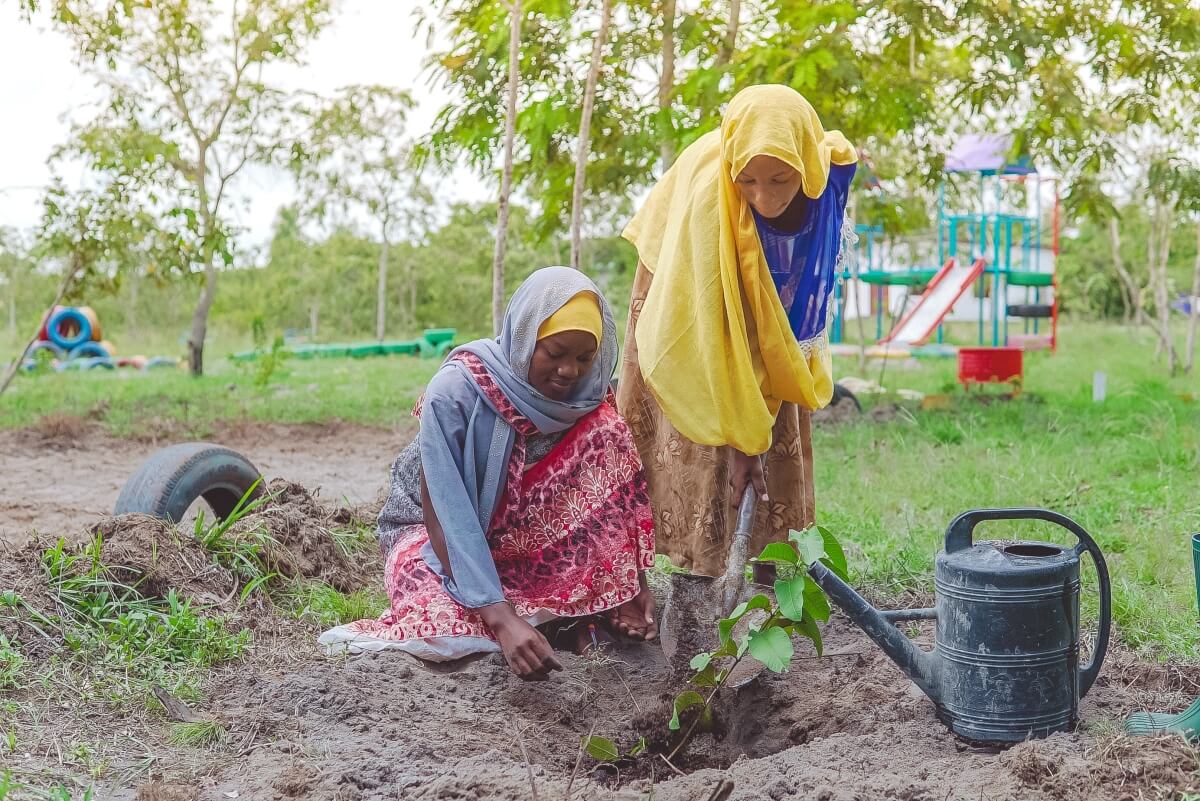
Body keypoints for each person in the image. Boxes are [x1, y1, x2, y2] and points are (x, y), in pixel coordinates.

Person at [320, 267, 658, 680]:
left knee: (609, 430)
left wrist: (631, 583)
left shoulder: (587, 403)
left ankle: (577, 613)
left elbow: (612, 504)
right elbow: (446, 517)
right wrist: (500, 618)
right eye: (554, 353)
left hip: (521, 543)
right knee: (443, 622)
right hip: (432, 534)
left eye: (584, 358)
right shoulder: (457, 392)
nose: (569, 371)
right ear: (523, 337)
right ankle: (559, 620)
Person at [616, 84, 857, 579]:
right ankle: (696, 566)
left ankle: (775, 565)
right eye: (747, 180)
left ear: (805, 166)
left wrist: (759, 434)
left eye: (780, 179)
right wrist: (745, 441)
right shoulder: (712, 201)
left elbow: (787, 328)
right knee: (700, 422)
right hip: (688, 292)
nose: (763, 197)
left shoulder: (825, 178)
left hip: (765, 298)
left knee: (774, 409)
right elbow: (728, 338)